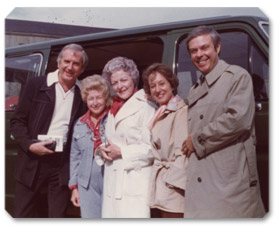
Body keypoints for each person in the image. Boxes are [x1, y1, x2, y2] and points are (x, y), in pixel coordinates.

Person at [182, 25, 265, 218]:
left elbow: (237, 120)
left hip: (228, 184)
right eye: (194, 51)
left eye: (205, 48)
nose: (199, 54)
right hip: (202, 180)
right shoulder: (195, 88)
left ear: (217, 48)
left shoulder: (237, 77)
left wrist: (196, 140)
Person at [10, 43, 88, 218]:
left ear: (82, 69)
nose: (70, 67)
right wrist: (30, 146)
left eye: (76, 64)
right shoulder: (37, 84)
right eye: (66, 61)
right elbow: (17, 121)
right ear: (59, 63)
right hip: (32, 159)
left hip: (62, 163)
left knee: (57, 215)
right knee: (23, 213)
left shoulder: (82, 93)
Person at [96, 56, 156, 218]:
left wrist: (122, 152)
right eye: (114, 83)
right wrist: (104, 150)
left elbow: (152, 149)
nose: (120, 86)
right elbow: (113, 140)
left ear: (133, 78)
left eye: (124, 80)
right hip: (112, 182)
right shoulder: (112, 108)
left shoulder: (147, 106)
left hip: (135, 184)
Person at [142, 63, 188, 218]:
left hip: (173, 187)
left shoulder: (181, 111)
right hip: (161, 185)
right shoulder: (159, 112)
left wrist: (172, 183)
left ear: (171, 84)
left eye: (162, 84)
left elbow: (182, 152)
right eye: (152, 86)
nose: (157, 89)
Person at [68, 75, 111, 218]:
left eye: (98, 97)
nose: (95, 102)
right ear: (86, 100)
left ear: (105, 97)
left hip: (111, 179)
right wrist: (74, 188)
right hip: (86, 183)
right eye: (91, 98)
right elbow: (75, 158)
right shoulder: (79, 124)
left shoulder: (114, 118)